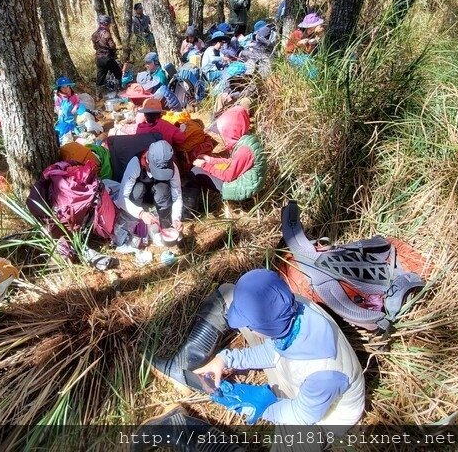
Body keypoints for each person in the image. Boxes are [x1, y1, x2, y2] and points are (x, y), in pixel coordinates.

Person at [152, 269, 364, 432]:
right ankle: (181, 368)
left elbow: (302, 416)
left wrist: (259, 405)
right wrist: (224, 359)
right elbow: (273, 351)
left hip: (323, 417)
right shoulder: (293, 307)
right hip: (297, 374)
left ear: (265, 329)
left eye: (252, 327)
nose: (249, 329)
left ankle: (175, 429)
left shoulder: (324, 374)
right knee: (229, 293)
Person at [191, 106, 266, 201]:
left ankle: (198, 201)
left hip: (245, 188)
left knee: (196, 171)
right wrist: (211, 160)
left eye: (224, 133)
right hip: (249, 181)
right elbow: (233, 161)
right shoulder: (247, 138)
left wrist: (205, 165)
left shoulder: (244, 150)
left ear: (232, 130)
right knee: (201, 169)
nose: (223, 136)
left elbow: (228, 177)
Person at [116, 140, 183, 232]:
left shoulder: (172, 166)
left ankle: (165, 223)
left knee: (162, 189)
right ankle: (137, 225)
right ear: (148, 161)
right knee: (138, 189)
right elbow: (121, 198)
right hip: (140, 198)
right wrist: (141, 214)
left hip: (160, 196)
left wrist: (176, 218)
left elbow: (177, 195)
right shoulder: (135, 163)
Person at [92, 14, 122, 91]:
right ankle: (119, 89)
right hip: (107, 58)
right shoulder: (106, 33)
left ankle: (99, 94)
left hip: (99, 59)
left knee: (100, 77)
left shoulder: (94, 34)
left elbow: (95, 47)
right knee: (118, 72)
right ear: (106, 23)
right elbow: (112, 46)